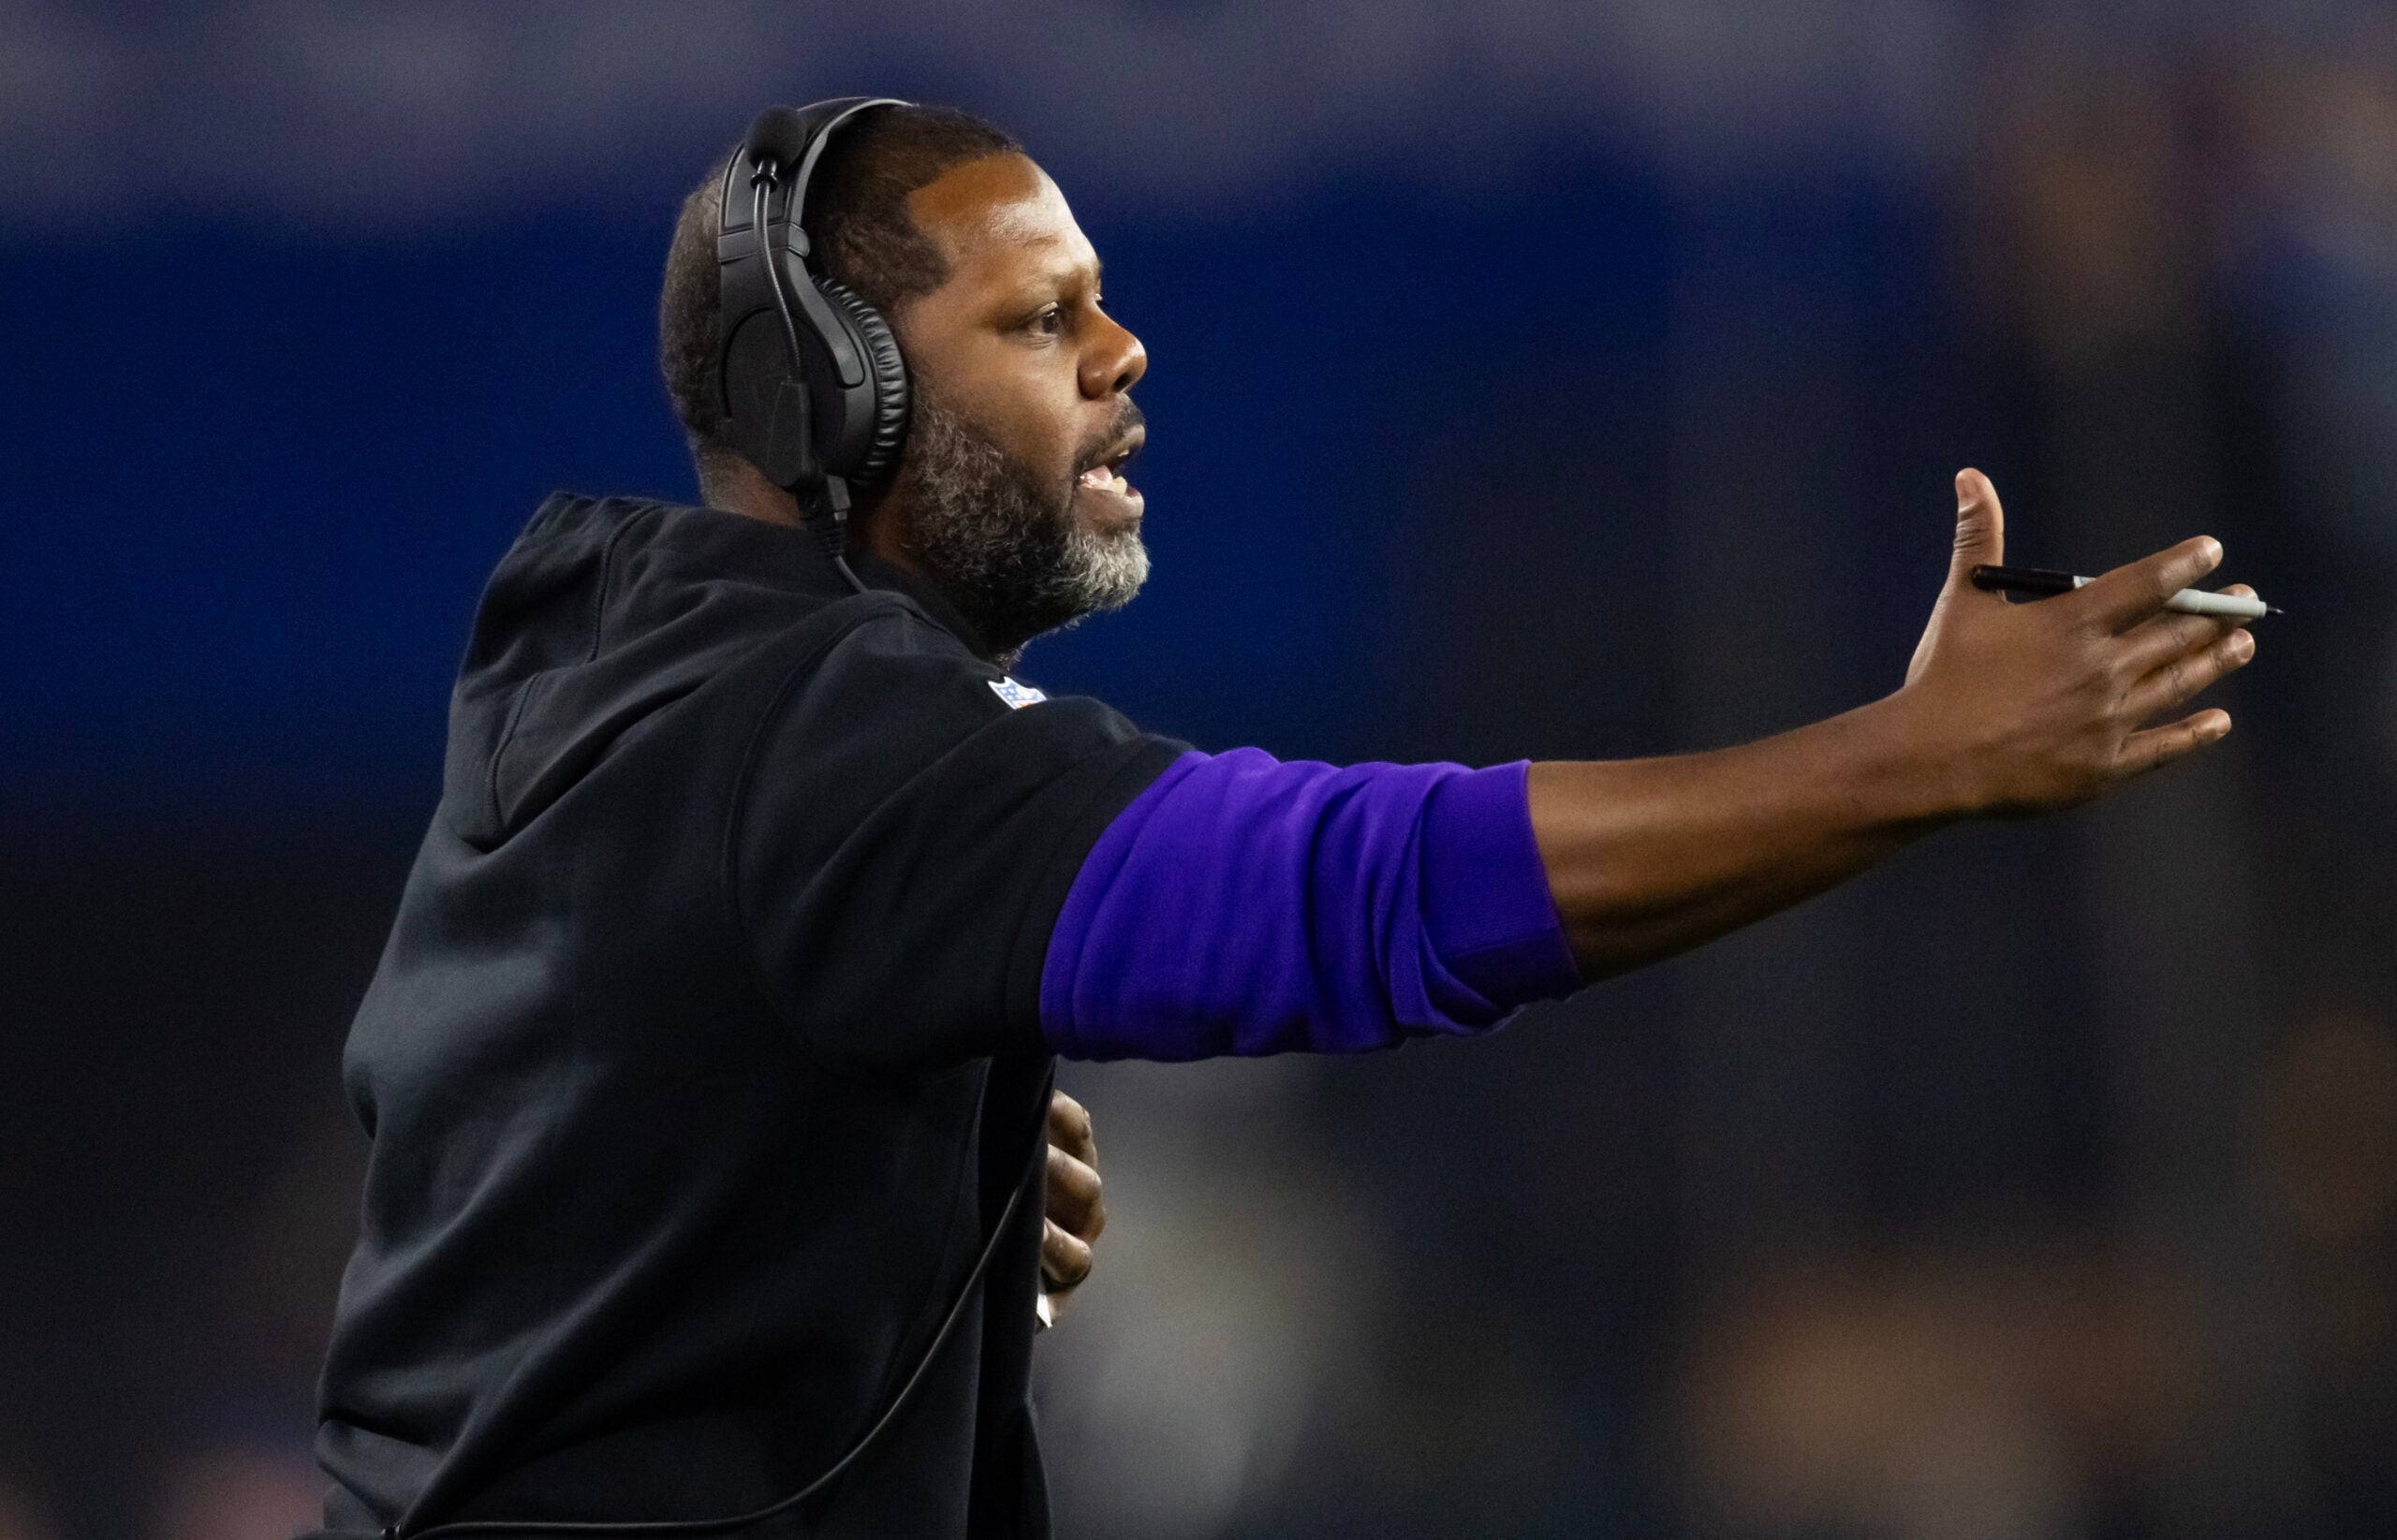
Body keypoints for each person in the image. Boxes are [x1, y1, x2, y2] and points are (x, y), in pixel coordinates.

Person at [306, 102, 2259, 1540]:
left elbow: (499, 1132)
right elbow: (1337, 899)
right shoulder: (801, 732)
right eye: (1036, 318)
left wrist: (867, 1190)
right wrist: (1906, 757)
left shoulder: (645, 685)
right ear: (847, 399)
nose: (1120, 351)